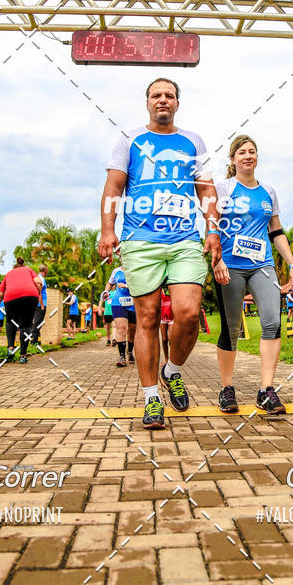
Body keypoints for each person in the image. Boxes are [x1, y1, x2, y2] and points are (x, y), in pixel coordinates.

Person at [98, 77, 226, 430]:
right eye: (157, 95)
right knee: (149, 318)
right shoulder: (130, 140)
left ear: (177, 103)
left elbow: (208, 191)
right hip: (141, 240)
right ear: (147, 103)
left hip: (184, 238)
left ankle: (173, 370)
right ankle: (152, 397)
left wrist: (213, 229)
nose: (163, 100)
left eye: (170, 95)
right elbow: (113, 186)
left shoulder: (193, 141)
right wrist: (108, 229)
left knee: (188, 312)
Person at [213, 135, 293, 415]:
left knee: (272, 322)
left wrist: (292, 263)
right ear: (233, 159)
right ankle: (227, 389)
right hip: (230, 265)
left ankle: (266, 390)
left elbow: (276, 231)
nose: (248, 156)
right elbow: (210, 227)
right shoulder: (223, 188)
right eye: (242, 152)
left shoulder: (268, 192)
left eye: (252, 151)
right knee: (231, 328)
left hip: (262, 264)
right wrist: (216, 261)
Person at [0, 257, 42, 363]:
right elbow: (39, 282)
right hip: (30, 296)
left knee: (10, 322)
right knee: (25, 326)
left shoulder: (8, 274)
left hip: (11, 298)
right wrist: (37, 293)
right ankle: (22, 356)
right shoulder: (29, 270)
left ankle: (10, 348)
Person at [102, 262, 136, 367]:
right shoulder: (116, 271)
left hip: (134, 302)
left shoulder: (136, 269)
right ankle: (122, 357)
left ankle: (130, 351)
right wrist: (105, 292)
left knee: (132, 329)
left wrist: (126, 286)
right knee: (122, 328)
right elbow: (109, 283)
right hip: (118, 302)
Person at [30, 264, 48, 346]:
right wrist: (42, 305)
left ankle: (35, 339)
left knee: (37, 322)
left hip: (35, 303)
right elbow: (39, 293)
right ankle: (33, 340)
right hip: (40, 304)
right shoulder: (41, 279)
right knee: (38, 322)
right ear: (45, 270)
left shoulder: (36, 277)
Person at [160, 289, 173, 365]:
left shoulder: (173, 289)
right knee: (164, 339)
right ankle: (166, 359)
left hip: (172, 317)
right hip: (163, 318)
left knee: (171, 338)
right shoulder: (160, 290)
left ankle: (172, 360)